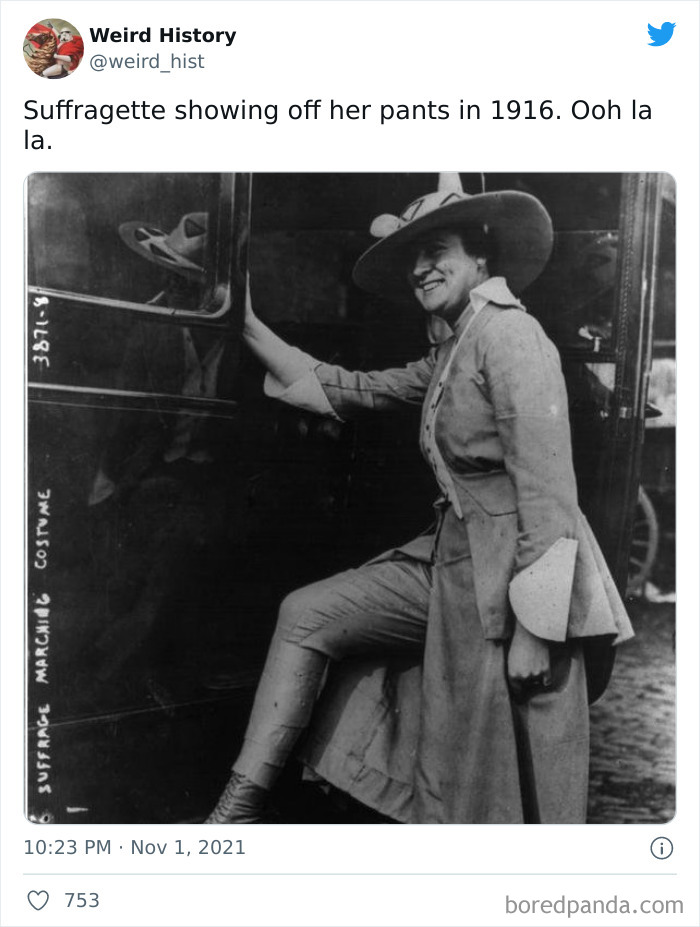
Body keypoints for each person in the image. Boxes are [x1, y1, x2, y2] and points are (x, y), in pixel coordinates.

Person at [206, 174, 634, 824]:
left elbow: (547, 496)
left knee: (483, 786)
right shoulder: (455, 347)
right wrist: (238, 315)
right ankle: (233, 815)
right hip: (449, 569)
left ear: (483, 256)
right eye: (413, 255)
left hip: (512, 588)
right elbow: (344, 387)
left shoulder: (511, 338)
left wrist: (537, 632)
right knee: (307, 614)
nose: (421, 266)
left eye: (437, 249)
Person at [88, 213, 244, 686]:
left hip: (213, 481)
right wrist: (109, 483)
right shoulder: (150, 330)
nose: (171, 290)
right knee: (149, 555)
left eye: (185, 281)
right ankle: (116, 673)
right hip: (150, 473)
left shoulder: (240, 340)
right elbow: (123, 421)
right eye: (170, 279)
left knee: (184, 545)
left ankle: (132, 671)